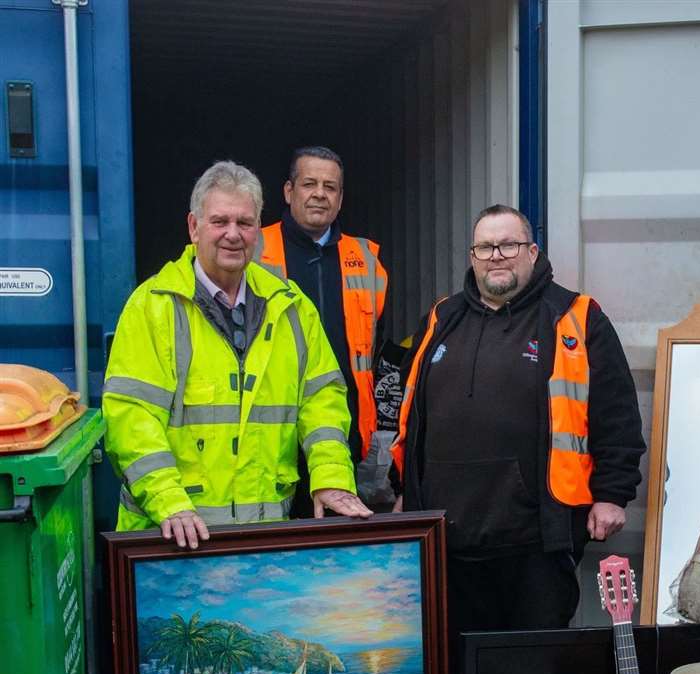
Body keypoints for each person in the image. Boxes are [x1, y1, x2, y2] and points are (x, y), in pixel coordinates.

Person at [391, 204, 645, 632]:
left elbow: (616, 412)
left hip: (536, 540)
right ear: (472, 256)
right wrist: (405, 490)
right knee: (453, 669)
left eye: (508, 244)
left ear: (532, 251)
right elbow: (411, 415)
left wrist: (612, 493)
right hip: (446, 540)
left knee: (534, 671)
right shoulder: (441, 318)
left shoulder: (576, 316)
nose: (496, 256)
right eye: (485, 247)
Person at [104, 160, 371, 549]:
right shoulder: (153, 307)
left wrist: (330, 476)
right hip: (167, 541)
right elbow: (131, 417)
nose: (233, 234)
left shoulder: (291, 306)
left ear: (258, 230)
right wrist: (169, 504)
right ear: (194, 227)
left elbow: (323, 399)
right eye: (220, 221)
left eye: (245, 223)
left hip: (261, 540)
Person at [253, 146, 392, 510]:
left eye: (330, 187)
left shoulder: (366, 258)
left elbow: (374, 352)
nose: (319, 194)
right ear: (288, 191)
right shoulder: (253, 248)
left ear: (341, 197)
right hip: (269, 434)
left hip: (342, 434)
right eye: (309, 183)